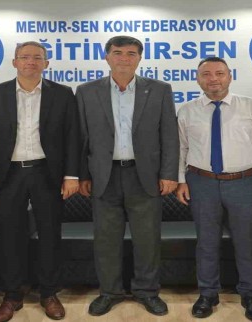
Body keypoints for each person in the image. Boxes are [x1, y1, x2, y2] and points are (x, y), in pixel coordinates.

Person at [0, 41, 80, 322]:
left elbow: (72, 136)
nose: (30, 62)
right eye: (24, 57)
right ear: (14, 62)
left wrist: (71, 175)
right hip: (8, 175)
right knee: (8, 235)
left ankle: (49, 292)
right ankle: (12, 295)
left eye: (37, 57)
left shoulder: (62, 93)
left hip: (47, 173)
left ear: (46, 63)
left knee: (50, 234)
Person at [76, 35, 179, 317]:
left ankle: (147, 292)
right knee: (106, 241)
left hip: (145, 176)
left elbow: (169, 135)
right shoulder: (86, 91)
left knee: (148, 240)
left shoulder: (159, 90)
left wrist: (169, 173)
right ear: (107, 57)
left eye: (131, 53)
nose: (124, 58)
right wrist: (83, 175)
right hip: (104, 177)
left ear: (140, 58)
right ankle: (109, 292)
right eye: (118, 53)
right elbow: (81, 138)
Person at [175, 57, 252, 321]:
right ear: (198, 79)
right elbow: (180, 149)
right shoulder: (187, 111)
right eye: (206, 74)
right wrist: (181, 180)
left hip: (244, 182)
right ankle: (208, 294)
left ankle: (251, 295)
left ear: (229, 77)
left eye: (219, 73)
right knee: (206, 242)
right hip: (201, 182)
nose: (213, 79)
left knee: (247, 242)